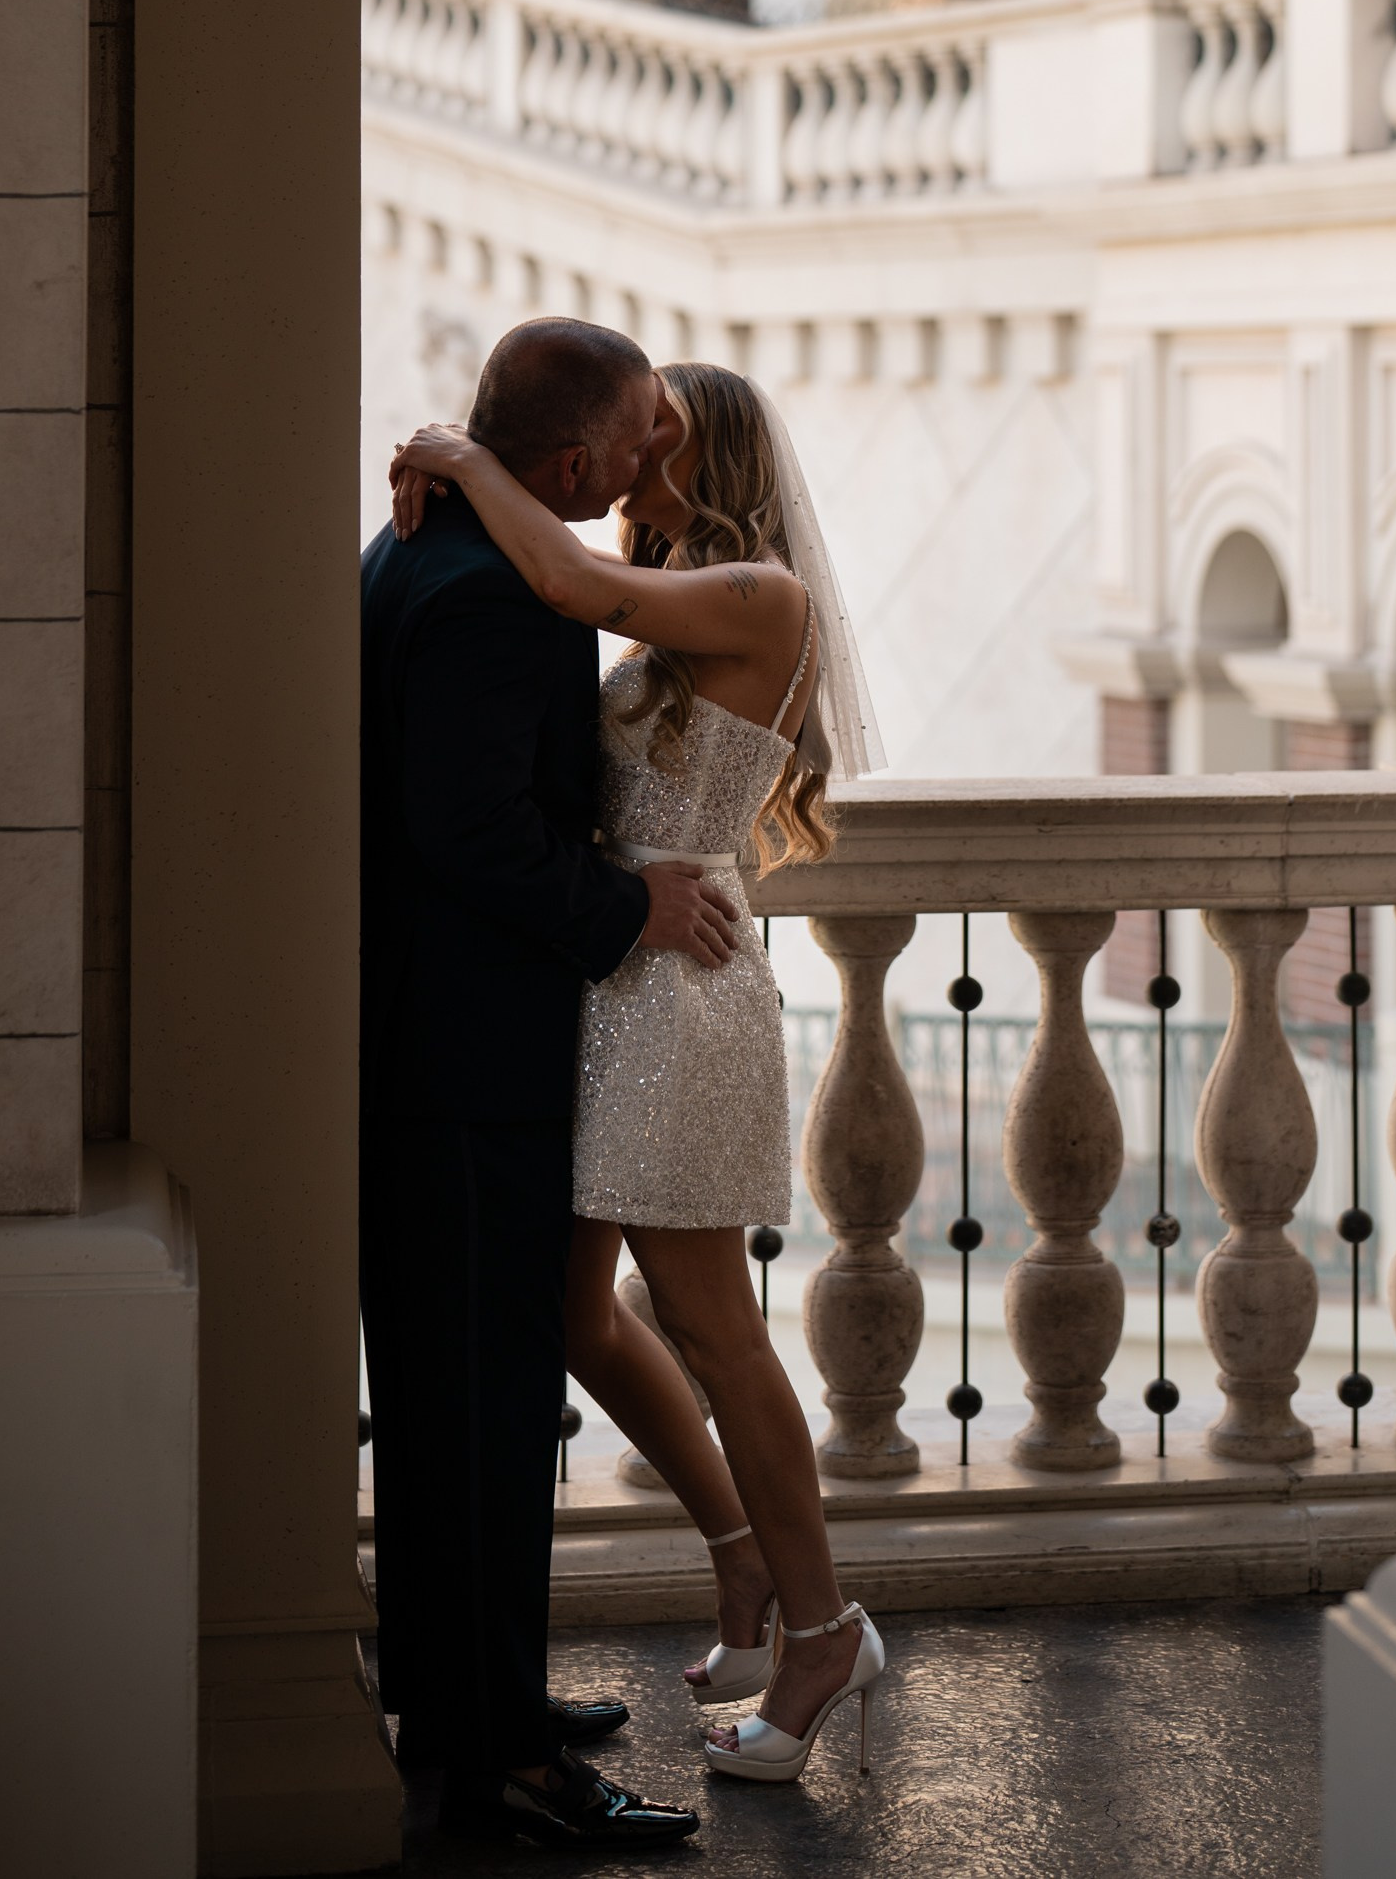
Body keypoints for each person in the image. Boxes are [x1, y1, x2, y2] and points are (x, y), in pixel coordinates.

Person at [390, 359, 889, 1787]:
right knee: (574, 1308)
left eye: (651, 428)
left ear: (703, 448)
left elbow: (567, 585)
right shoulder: (683, 607)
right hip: (624, 985)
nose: (622, 453)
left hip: (682, 996)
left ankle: (821, 1631)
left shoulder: (760, 599)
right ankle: (745, 1569)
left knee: (714, 1327)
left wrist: (460, 454)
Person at [360, 315, 724, 1853]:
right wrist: (627, 906)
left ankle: (470, 1695)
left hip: (426, 1055)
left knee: (460, 1412)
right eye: (645, 429)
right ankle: (502, 1753)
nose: (664, 449)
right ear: (571, 462)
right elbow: (474, 836)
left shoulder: (415, 549)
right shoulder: (505, 597)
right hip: (464, 1071)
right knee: (485, 1419)